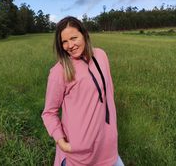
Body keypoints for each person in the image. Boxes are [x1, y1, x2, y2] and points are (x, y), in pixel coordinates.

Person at [42, 16, 124, 166]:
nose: (70, 45)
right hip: (78, 157)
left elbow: (107, 96)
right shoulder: (59, 71)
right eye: (64, 42)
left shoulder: (101, 55)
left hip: (108, 149)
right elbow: (49, 113)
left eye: (74, 38)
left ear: (84, 35)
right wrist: (62, 143)